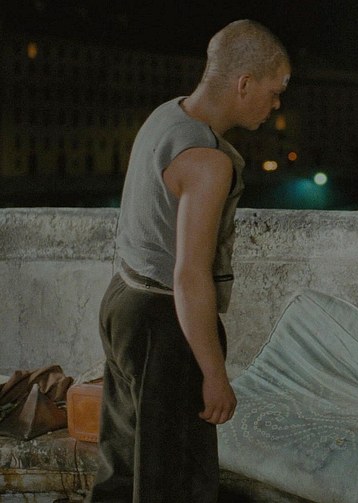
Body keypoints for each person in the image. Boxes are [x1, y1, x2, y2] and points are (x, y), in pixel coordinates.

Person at [89, 20, 291, 502]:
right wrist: (215, 374)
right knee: (174, 483)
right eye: (275, 91)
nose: (276, 105)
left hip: (123, 300)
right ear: (244, 84)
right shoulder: (207, 161)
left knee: (124, 472)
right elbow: (189, 275)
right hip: (164, 325)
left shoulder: (166, 116)